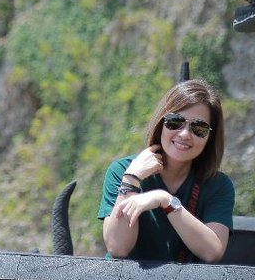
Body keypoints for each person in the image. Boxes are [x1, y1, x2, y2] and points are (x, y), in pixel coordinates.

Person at [97, 79, 234, 262]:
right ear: (161, 123)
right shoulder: (122, 170)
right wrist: (131, 179)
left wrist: (166, 200)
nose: (185, 134)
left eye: (198, 128)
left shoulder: (217, 185)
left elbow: (212, 251)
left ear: (210, 137)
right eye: (175, 121)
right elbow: (117, 247)